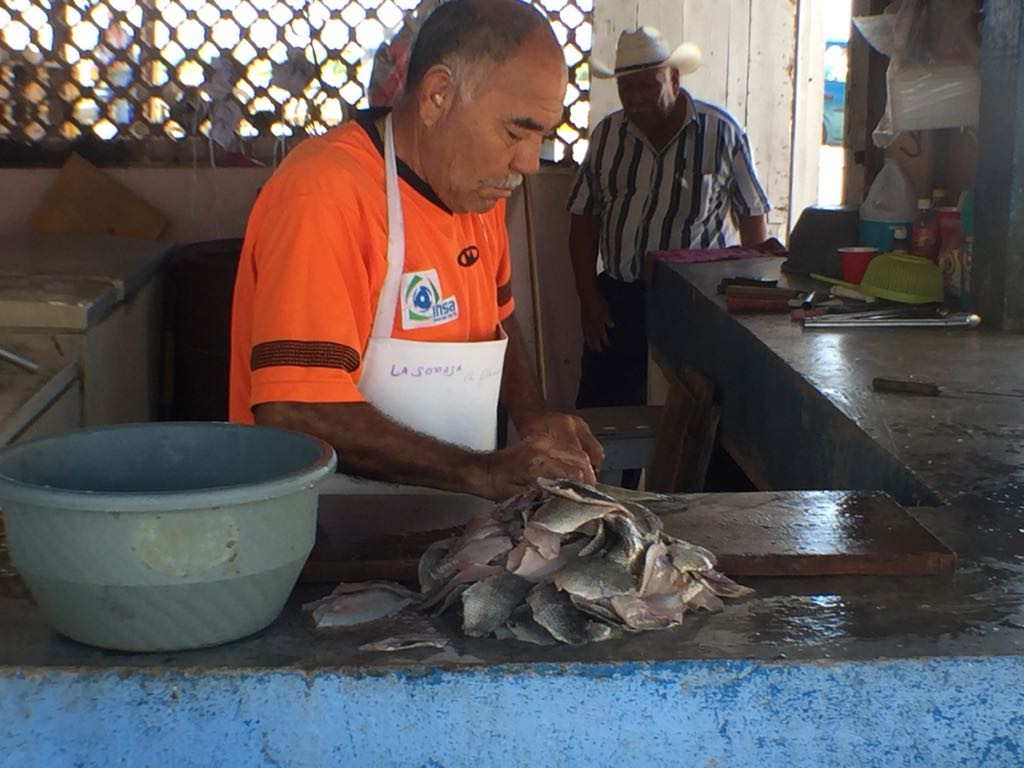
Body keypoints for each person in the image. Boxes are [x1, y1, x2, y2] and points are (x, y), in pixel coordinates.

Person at [229, 0, 603, 501]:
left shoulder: (478, 194)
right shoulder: (326, 192)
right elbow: (294, 409)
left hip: (447, 516)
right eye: (516, 132)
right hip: (322, 526)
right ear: (436, 96)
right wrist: (480, 473)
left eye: (541, 136)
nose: (530, 163)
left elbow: (497, 320)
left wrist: (532, 415)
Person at [567, 26, 772, 414]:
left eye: (648, 84)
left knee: (689, 418)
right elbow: (583, 217)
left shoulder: (721, 133)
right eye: (626, 87)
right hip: (620, 300)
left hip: (697, 303)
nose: (636, 98)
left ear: (674, 79)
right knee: (603, 416)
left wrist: (753, 302)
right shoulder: (607, 135)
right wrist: (587, 297)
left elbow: (753, 217)